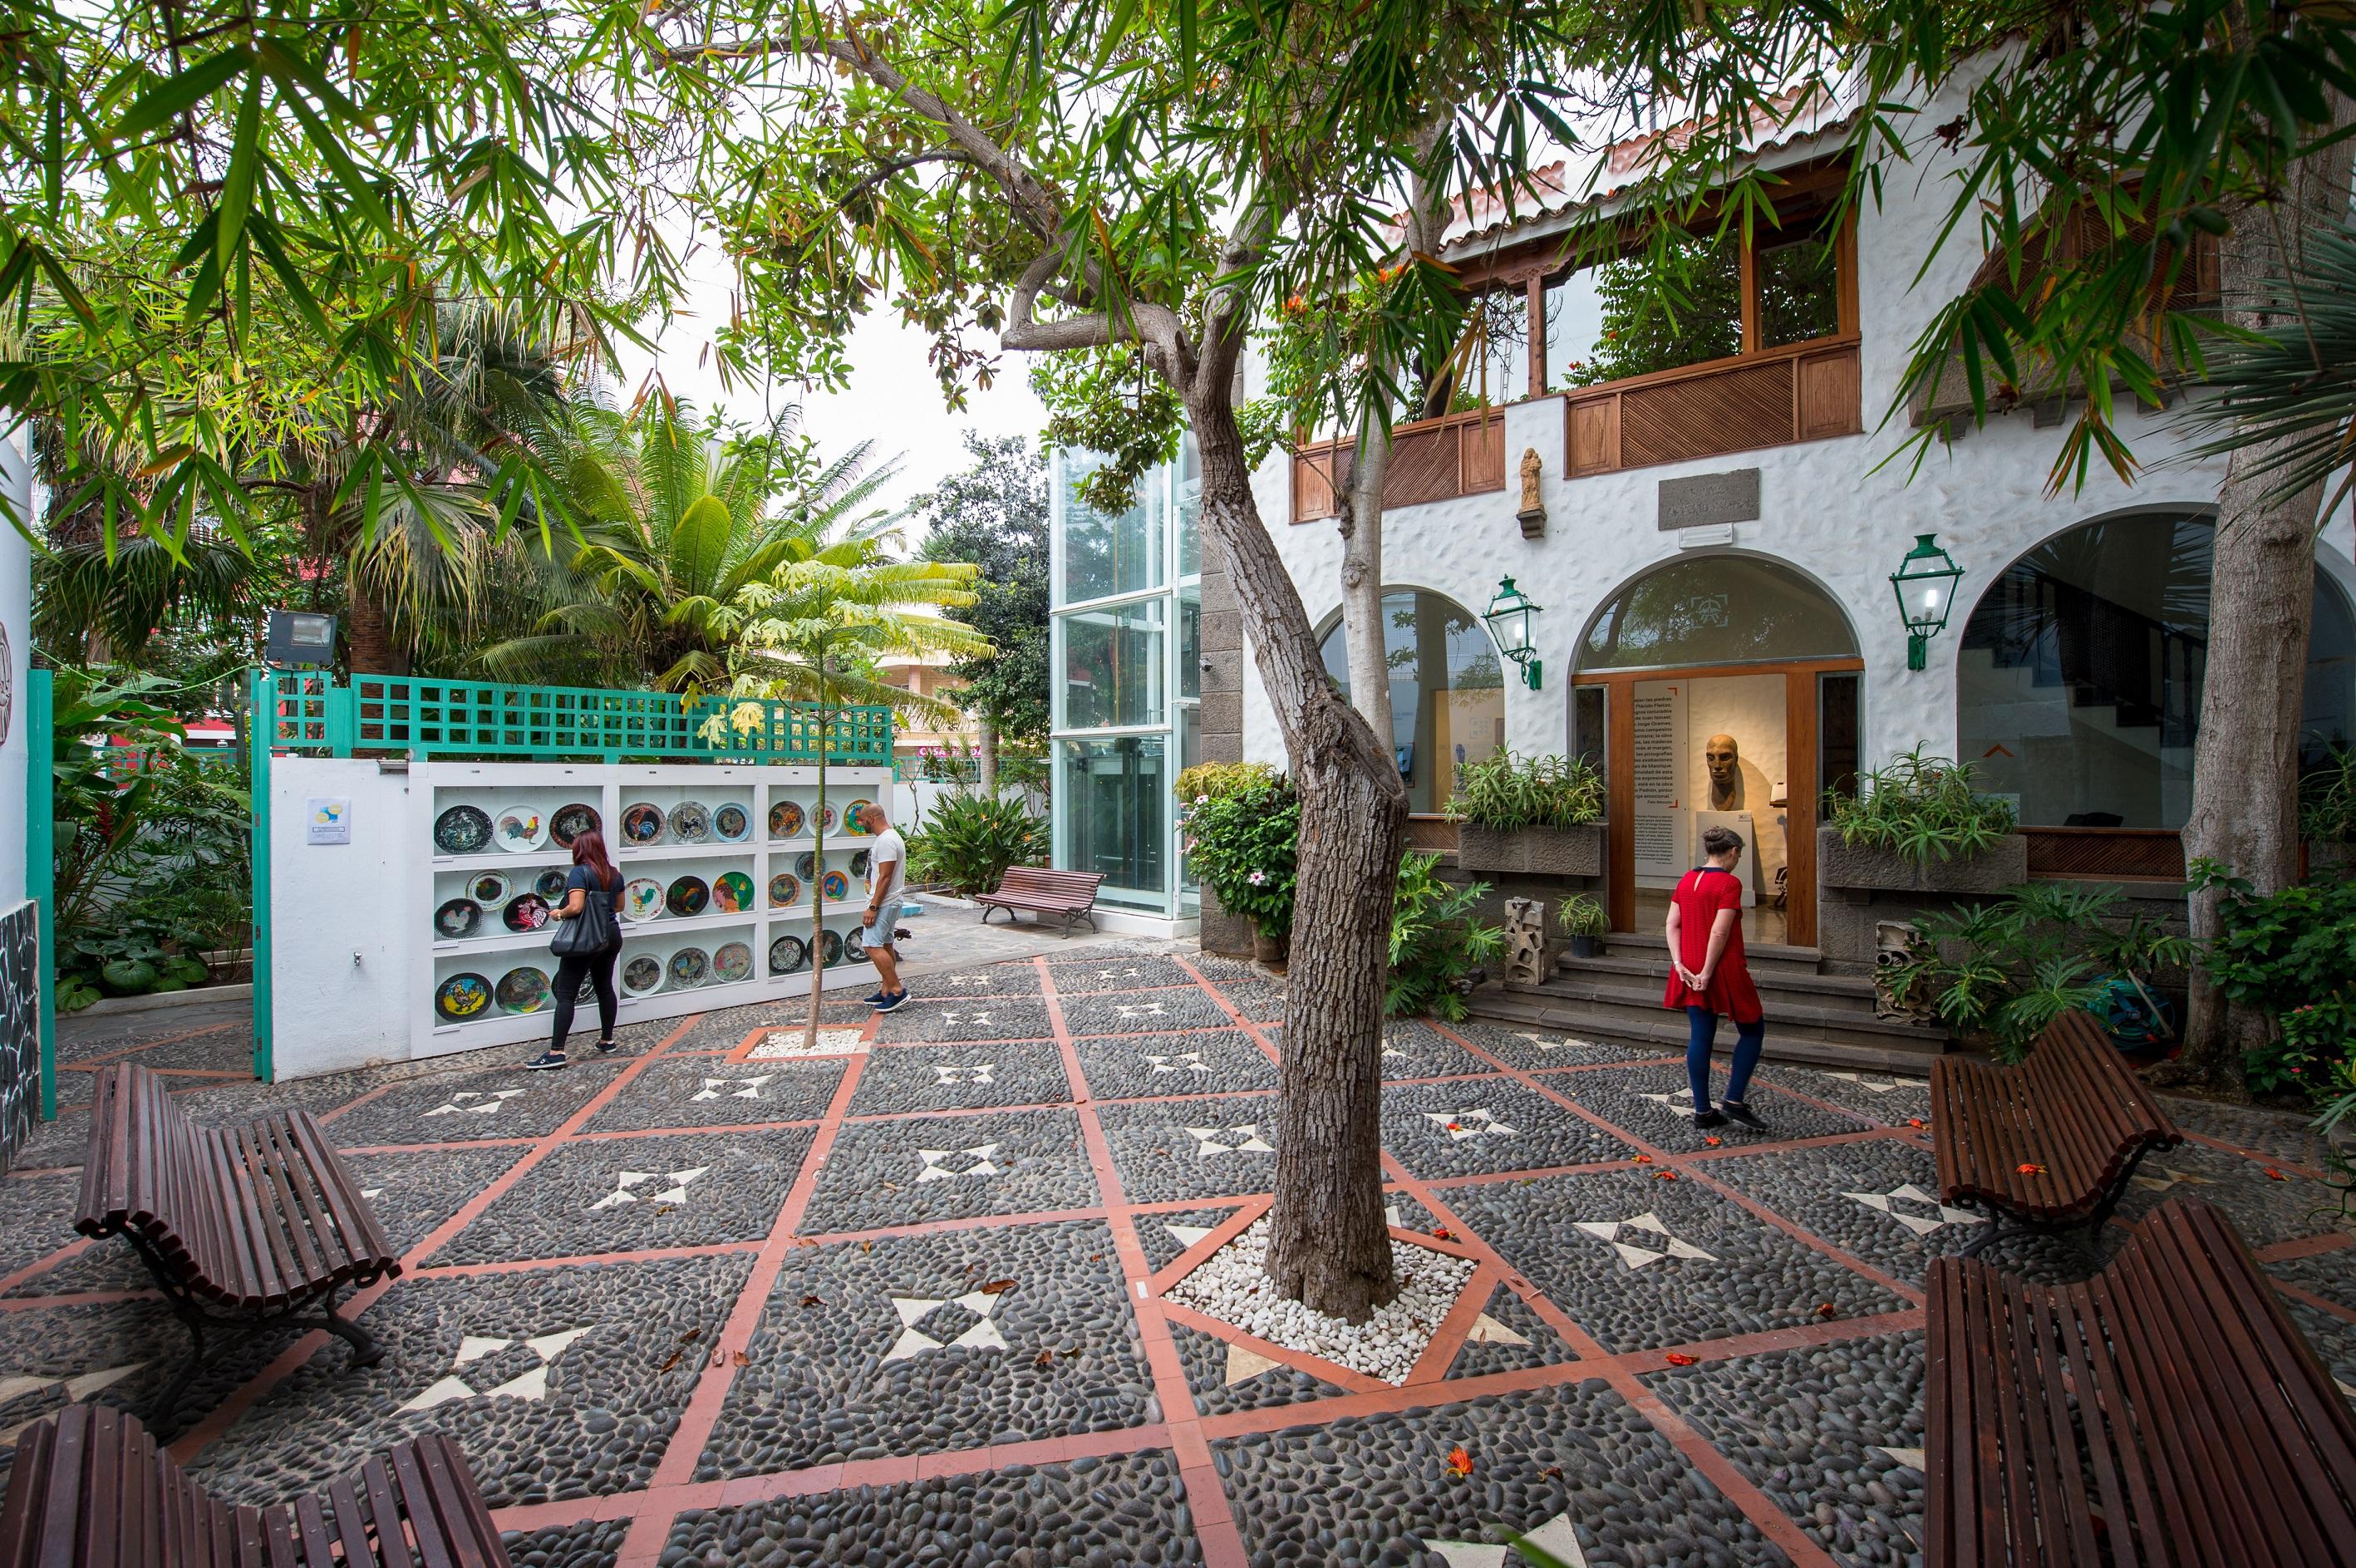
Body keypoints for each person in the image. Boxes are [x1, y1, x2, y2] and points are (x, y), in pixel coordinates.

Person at [1661, 824, 1769, 1130]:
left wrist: (1679, 963)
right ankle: (1734, 1099)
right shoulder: (1729, 884)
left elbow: (1672, 924)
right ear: (1733, 852)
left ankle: (1703, 1110)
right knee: (1752, 1028)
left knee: (1700, 1036)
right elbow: (1720, 931)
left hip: (1689, 964)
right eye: (1739, 855)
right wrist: (1707, 972)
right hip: (1723, 967)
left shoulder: (1686, 879)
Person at [525, 828, 623, 1069]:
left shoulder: (580, 873)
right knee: (605, 987)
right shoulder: (614, 873)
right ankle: (607, 1040)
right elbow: (620, 906)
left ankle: (556, 1051)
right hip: (610, 934)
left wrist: (559, 913)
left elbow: (576, 907)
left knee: (566, 993)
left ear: (580, 849)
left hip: (585, 937)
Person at [858, 802, 909, 1011]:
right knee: (886, 945)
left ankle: (897, 990)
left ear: (871, 818)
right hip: (890, 901)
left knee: (871, 945)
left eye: (861, 820)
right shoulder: (888, 838)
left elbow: (885, 877)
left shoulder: (886, 841)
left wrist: (873, 906)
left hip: (885, 902)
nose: (860, 824)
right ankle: (886, 990)